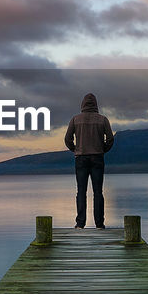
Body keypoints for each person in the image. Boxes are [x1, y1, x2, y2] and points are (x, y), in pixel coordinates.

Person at [63, 92, 114, 228]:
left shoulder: (75, 119)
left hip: (81, 158)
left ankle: (80, 224)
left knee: (81, 191)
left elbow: (67, 139)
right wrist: (102, 149)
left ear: (82, 104)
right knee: (98, 192)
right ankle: (99, 224)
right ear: (96, 104)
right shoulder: (103, 119)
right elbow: (110, 139)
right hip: (98, 157)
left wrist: (75, 149)